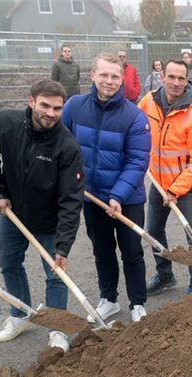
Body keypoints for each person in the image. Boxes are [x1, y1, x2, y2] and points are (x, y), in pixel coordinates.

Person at [0, 78, 83, 352]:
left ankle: (57, 327)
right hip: (13, 214)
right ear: (31, 101)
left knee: (55, 273)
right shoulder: (5, 123)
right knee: (9, 263)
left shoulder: (66, 145)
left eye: (57, 108)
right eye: (45, 105)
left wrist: (63, 246)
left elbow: (71, 200)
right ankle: (20, 313)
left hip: (49, 221)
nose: (51, 113)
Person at [62, 53, 151, 323]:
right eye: (104, 75)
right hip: (91, 196)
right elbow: (62, 146)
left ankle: (138, 303)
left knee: (132, 252)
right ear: (92, 75)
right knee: (102, 251)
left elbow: (138, 161)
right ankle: (109, 300)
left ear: (122, 79)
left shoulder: (135, 117)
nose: (109, 81)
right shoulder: (74, 107)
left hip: (127, 198)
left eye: (115, 76)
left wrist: (118, 195)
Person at [138, 59, 192, 296]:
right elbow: (135, 127)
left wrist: (174, 190)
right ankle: (165, 275)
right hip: (158, 183)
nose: (176, 82)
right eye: (171, 77)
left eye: (181, 78)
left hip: (186, 187)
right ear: (163, 77)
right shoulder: (149, 101)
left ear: (187, 80)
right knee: (153, 231)